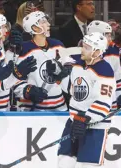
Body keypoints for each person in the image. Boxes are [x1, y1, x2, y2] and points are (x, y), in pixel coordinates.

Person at [46, 32, 116, 167]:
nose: (82, 49)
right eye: (83, 46)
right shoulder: (75, 61)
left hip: (95, 126)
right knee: (64, 162)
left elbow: (103, 104)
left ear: (97, 52)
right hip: (73, 121)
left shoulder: (105, 71)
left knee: (87, 165)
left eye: (87, 47)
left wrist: (85, 119)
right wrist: (57, 75)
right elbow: (71, 89)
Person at [12, 11, 67, 111]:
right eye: (43, 22)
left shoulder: (58, 45)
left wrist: (64, 72)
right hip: (32, 111)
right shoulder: (24, 49)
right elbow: (15, 80)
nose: (49, 24)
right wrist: (28, 91)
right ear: (34, 27)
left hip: (59, 108)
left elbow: (70, 70)